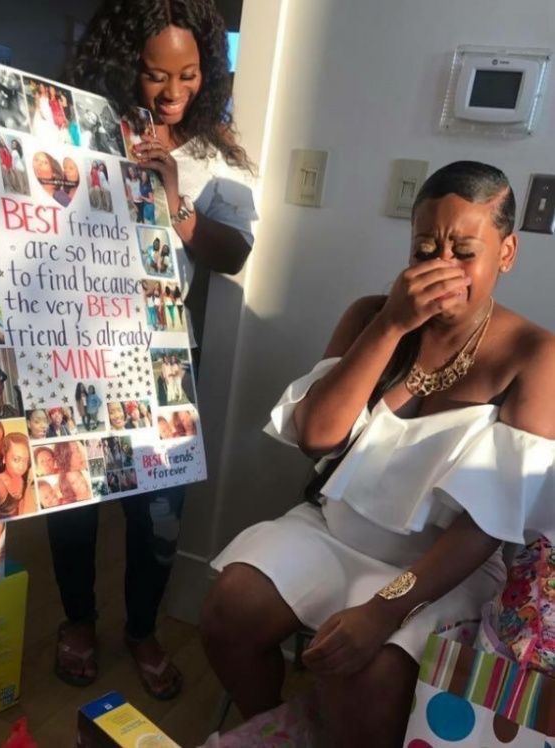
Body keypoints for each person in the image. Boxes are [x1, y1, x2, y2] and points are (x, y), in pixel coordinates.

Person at [201, 161, 555, 747]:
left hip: (439, 565)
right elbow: (317, 435)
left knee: (365, 676)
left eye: (464, 251)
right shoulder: (373, 315)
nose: (441, 266)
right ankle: (273, 728)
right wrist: (392, 325)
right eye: (424, 248)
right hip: (332, 528)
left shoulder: (534, 355)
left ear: (508, 251)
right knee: (228, 611)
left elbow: (488, 523)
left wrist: (386, 610)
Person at [46, 0, 257, 698]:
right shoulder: (76, 130)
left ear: (209, 69)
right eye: (153, 75)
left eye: (189, 75)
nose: (171, 93)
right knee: (69, 497)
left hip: (163, 358)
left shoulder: (214, 154)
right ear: (121, 64)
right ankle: (78, 621)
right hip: (74, 348)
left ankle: (142, 629)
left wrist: (177, 203)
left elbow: (234, 255)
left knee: (158, 512)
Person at [0, 432, 35, 521]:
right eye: (16, 459)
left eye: (25, 460)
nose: (22, 466)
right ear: (4, 458)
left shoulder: (24, 477)